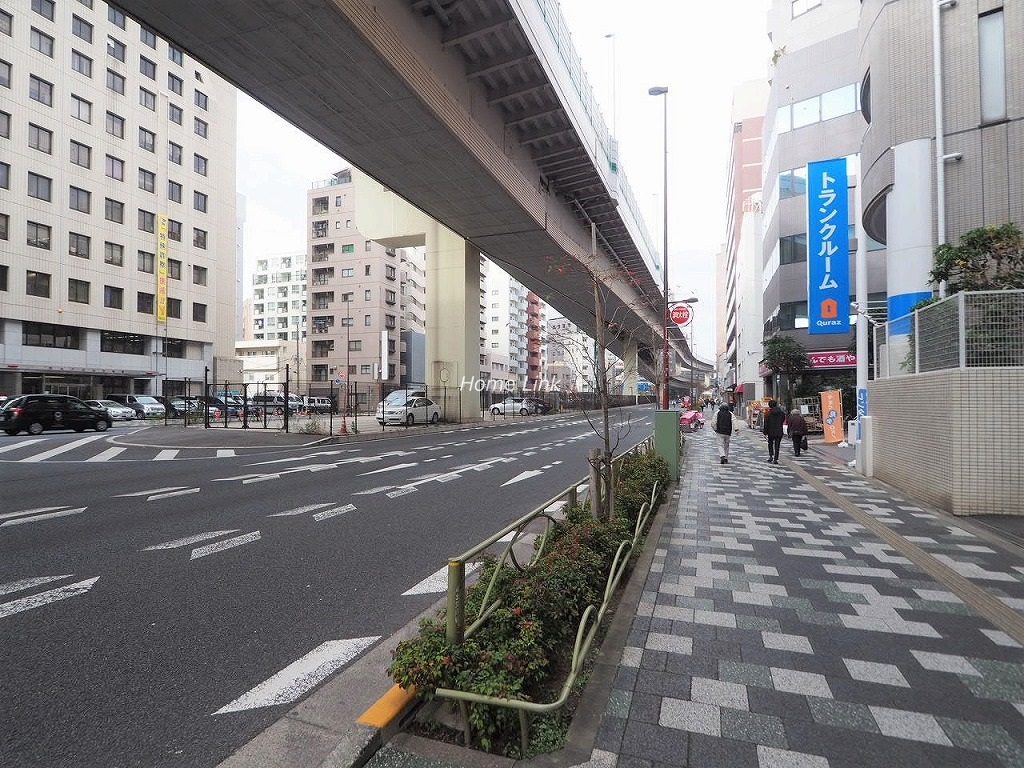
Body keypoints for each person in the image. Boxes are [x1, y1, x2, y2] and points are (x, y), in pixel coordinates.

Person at [762, 399, 786, 464]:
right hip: (779, 431)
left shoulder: (768, 414)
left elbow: (766, 424)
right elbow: (783, 420)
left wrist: (765, 433)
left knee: (770, 444)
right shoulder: (781, 413)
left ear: (769, 405)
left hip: (770, 431)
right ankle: (776, 458)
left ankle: (771, 456)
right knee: (777, 445)